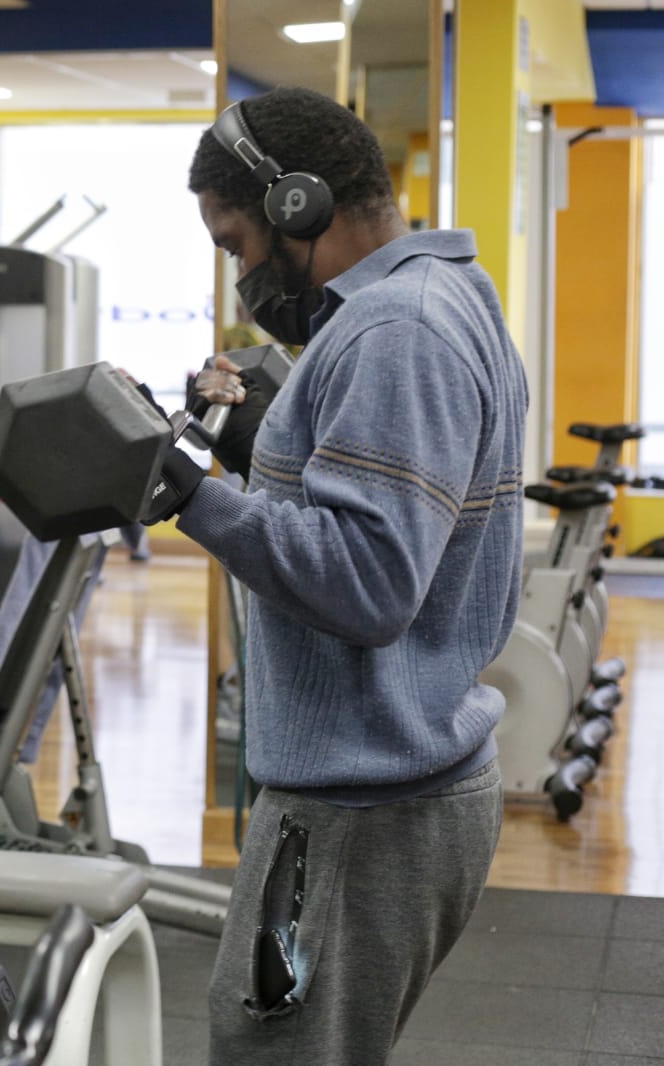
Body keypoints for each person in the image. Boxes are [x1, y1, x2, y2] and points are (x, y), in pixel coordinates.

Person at [145, 87, 526, 1065]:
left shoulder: (394, 333)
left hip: (362, 812)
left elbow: (368, 582)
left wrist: (189, 492)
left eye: (236, 244)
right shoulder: (439, 301)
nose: (240, 274)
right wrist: (246, 442)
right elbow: (373, 518)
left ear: (296, 207)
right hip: (385, 794)